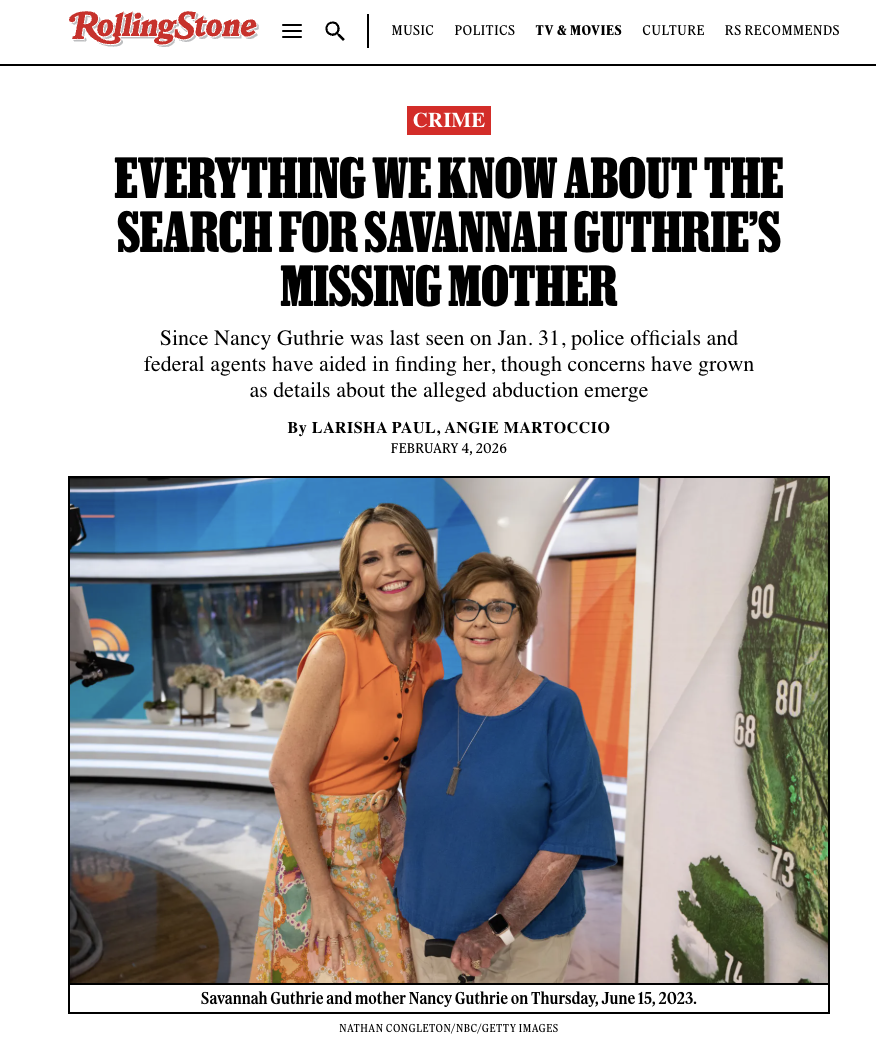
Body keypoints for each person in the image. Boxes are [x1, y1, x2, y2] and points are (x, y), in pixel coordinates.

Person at [396, 553, 617, 983]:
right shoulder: (433, 700)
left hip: (522, 944)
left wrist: (497, 929)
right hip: (428, 927)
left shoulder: (556, 709)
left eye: (498, 609)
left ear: (522, 624)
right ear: (451, 622)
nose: (480, 622)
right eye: (467, 607)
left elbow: (569, 840)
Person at [250, 504, 444, 984]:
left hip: (385, 846)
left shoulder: (428, 652)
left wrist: (410, 820)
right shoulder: (334, 650)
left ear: (424, 562)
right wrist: (320, 893)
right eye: (371, 559)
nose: (390, 569)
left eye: (403, 552)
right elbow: (285, 775)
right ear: (356, 578)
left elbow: (409, 757)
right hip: (320, 853)